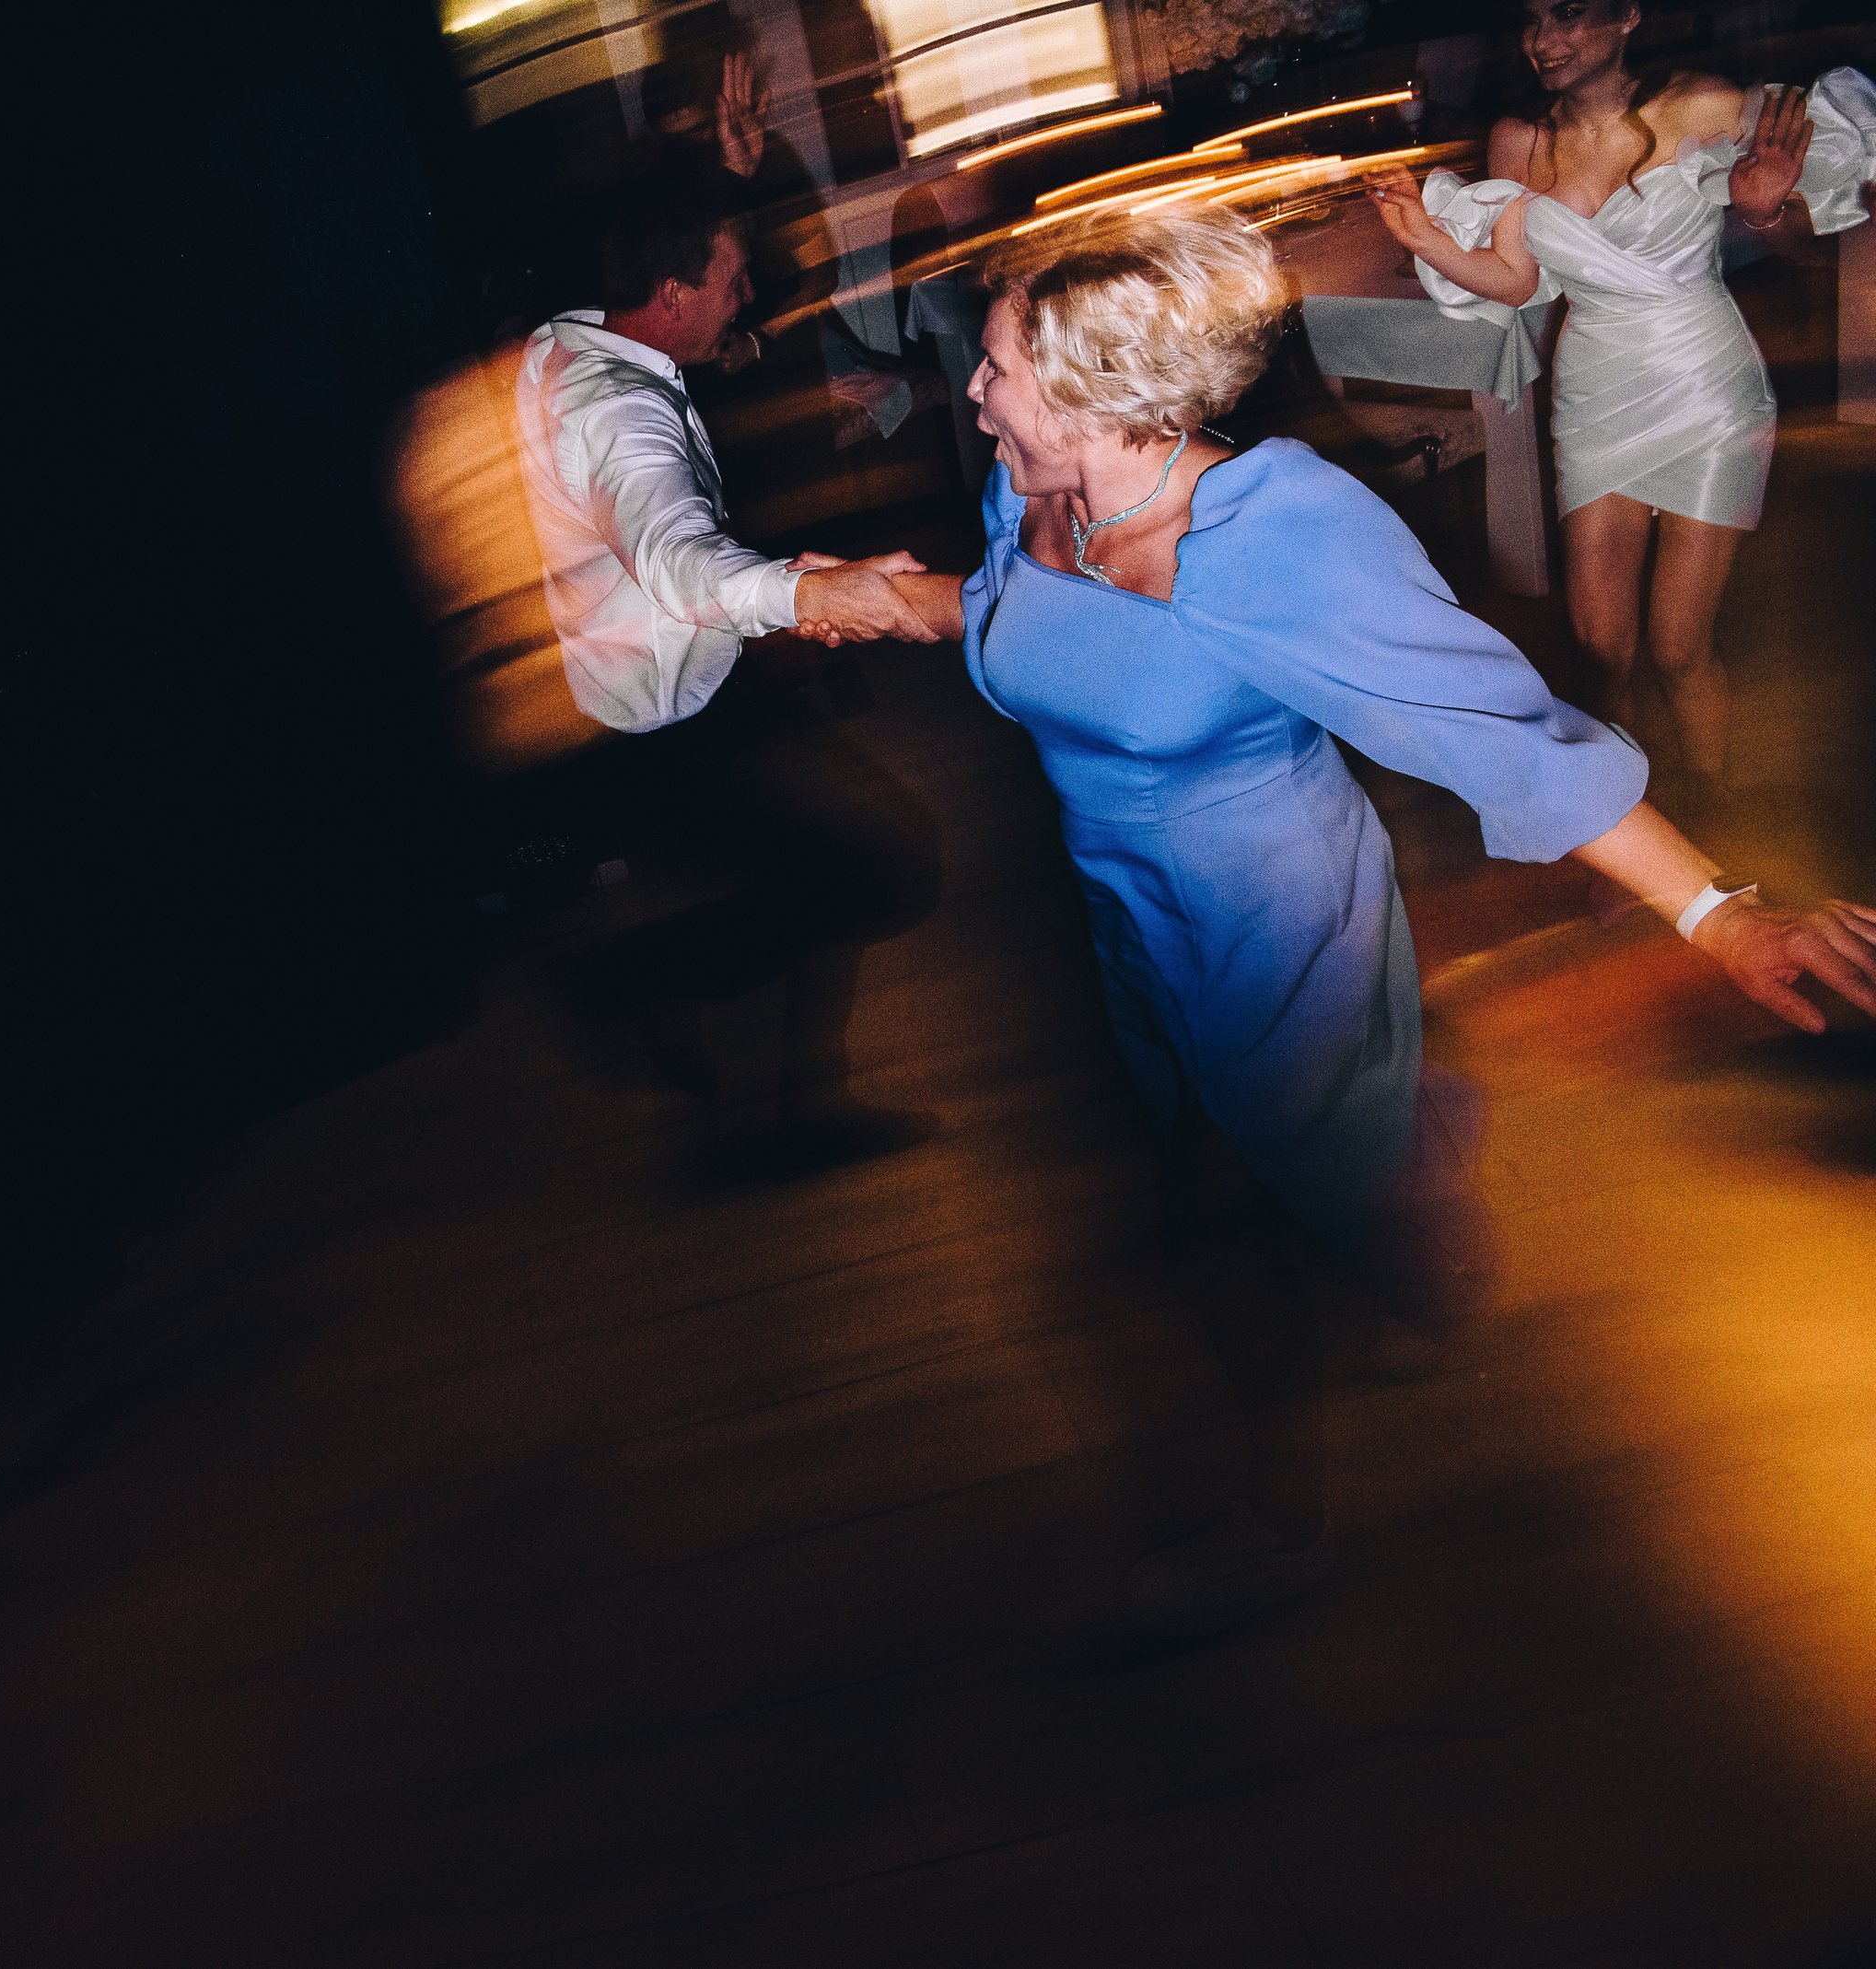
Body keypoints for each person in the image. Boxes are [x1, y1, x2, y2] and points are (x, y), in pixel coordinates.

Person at [795, 204, 1876, 1634]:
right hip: (1128, 913)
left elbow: (1508, 736)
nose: (974, 388)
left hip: (1279, 911)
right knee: (1262, 1155)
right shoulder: (1027, 485)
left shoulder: (1279, 537)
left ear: (1109, 395)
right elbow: (1007, 620)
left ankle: (1278, 1522)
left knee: (1199, 1226)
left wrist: (1721, 915)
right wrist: (877, 596)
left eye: (999, 365)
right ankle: (1402, 1157)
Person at [514, 165, 946, 1170]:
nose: (744, 299)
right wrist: (811, 594)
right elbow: (676, 559)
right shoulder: (624, 413)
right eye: (732, 281)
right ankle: (633, 985)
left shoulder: (569, 342)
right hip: (657, 724)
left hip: (639, 690)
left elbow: (650, 508)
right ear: (672, 294)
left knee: (829, 870)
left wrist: (736, 330)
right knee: (868, 869)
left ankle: (793, 1098)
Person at [1369, 10, 1876, 802]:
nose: (1543, 39)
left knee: (1679, 645)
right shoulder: (1519, 140)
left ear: (1627, 13)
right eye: (1531, 19)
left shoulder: (1703, 105)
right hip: (1597, 388)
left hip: (1706, 384)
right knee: (1601, 649)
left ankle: (1712, 809)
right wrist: (1428, 240)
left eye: (1568, 11)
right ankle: (1626, 814)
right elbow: (1522, 282)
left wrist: (1761, 208)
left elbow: (1808, 246)